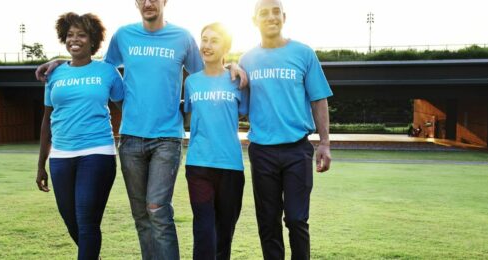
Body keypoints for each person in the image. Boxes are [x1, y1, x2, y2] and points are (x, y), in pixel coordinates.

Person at [35, 1, 247, 259]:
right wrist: (61, 62)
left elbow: (208, 71)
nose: (149, 3)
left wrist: (233, 65)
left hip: (167, 138)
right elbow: (98, 66)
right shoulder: (123, 35)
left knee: (157, 209)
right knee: (140, 215)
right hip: (131, 139)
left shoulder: (182, 37)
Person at [238, 0, 333, 259]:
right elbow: (239, 104)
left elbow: (319, 99)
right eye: (264, 13)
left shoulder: (303, 53)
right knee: (268, 223)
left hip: (297, 150)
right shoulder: (247, 59)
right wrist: (230, 70)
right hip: (262, 152)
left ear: (284, 16)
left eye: (275, 12)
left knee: (296, 219)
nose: (271, 17)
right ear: (254, 20)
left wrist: (324, 142)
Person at [35, 12, 124, 260]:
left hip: (97, 153)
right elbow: (47, 121)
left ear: (92, 39)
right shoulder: (54, 74)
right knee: (72, 221)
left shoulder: (107, 72)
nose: (75, 39)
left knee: (86, 220)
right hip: (61, 157)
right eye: (70, 35)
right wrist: (41, 164)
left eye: (81, 35)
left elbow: (126, 109)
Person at [182, 23, 247, 260]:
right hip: (198, 164)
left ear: (226, 47)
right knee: (203, 230)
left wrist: (235, 66)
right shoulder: (191, 82)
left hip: (231, 166)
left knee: (224, 234)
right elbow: (189, 113)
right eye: (204, 39)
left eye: (214, 40)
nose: (207, 45)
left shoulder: (238, 80)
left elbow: (243, 112)